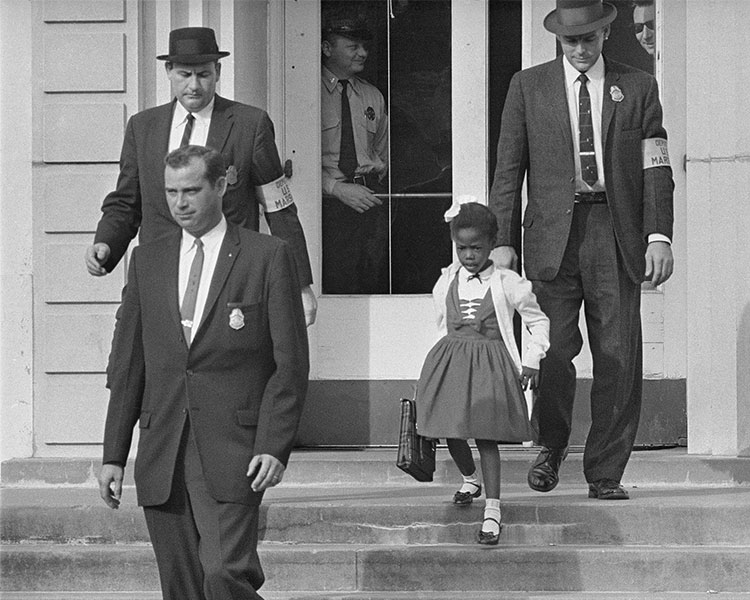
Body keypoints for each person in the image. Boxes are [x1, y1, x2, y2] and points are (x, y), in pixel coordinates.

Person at [97, 145, 309, 599]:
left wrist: (274, 445)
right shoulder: (147, 260)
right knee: (181, 587)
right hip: (163, 448)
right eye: (171, 192)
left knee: (224, 573)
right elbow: (130, 364)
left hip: (236, 450)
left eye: (192, 190)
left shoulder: (267, 256)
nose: (180, 203)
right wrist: (114, 453)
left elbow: (289, 365)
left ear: (221, 185)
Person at [489, 0, 674, 501]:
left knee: (618, 353)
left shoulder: (637, 86)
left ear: (605, 35)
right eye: (571, 41)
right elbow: (508, 171)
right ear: (558, 40)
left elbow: (655, 167)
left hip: (615, 233)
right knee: (552, 349)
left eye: (588, 39)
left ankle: (606, 469)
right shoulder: (527, 88)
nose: (580, 49)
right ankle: (550, 447)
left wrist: (658, 235)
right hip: (552, 237)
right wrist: (502, 242)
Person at [85, 26, 317, 325]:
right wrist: (106, 243)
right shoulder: (143, 128)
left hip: (229, 281)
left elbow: (279, 207)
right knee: (130, 367)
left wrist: (300, 284)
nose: (194, 85)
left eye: (203, 74)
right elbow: (126, 202)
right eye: (184, 74)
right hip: (158, 278)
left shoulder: (250, 125)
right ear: (169, 71)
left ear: (217, 71)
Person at [416, 200, 549, 545]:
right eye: (462, 248)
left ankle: (492, 509)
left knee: (486, 436)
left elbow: (537, 320)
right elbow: (442, 322)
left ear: (492, 244)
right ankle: (469, 478)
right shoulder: (447, 280)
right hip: (452, 362)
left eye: (476, 248)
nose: (469, 255)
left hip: (490, 365)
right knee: (450, 429)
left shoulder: (508, 282)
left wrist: (533, 358)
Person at [321, 16, 389, 294]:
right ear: (327, 48)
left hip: (368, 202)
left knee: (372, 282)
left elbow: (381, 152)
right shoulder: (307, 94)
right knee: (336, 284)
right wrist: (335, 188)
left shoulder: (373, 96)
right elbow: (294, 160)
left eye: (364, 46)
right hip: (326, 205)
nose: (363, 53)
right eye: (353, 46)